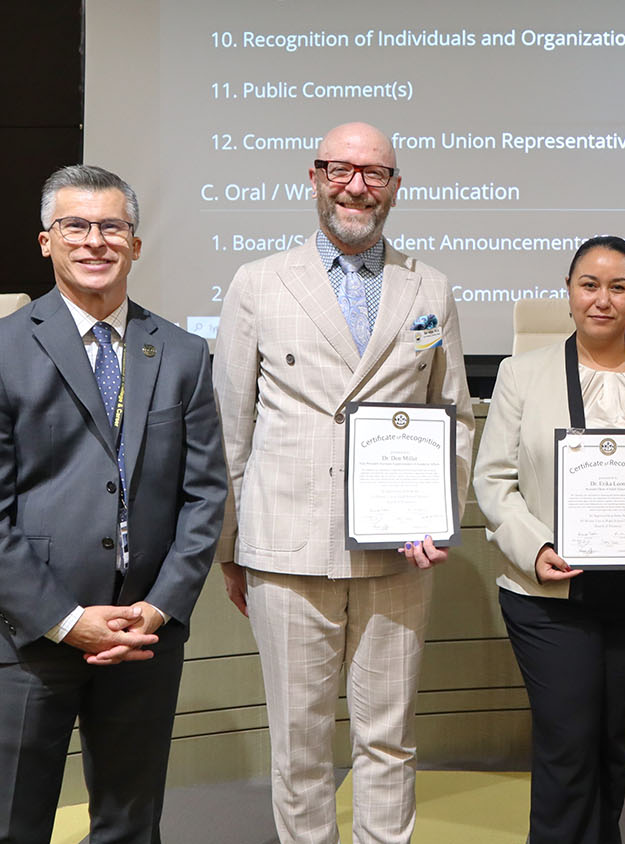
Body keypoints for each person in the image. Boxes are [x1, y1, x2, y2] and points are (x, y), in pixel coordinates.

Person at [0, 164, 228, 842]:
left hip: (141, 635)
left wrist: (155, 609)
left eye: (111, 227)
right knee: (11, 827)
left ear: (134, 243)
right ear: (47, 241)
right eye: (76, 225)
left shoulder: (183, 354)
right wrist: (67, 621)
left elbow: (204, 495)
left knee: (131, 827)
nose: (94, 241)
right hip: (26, 638)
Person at [212, 122, 474, 844]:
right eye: (341, 169)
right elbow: (231, 426)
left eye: (374, 173)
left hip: (398, 553)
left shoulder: (432, 288)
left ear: (395, 187)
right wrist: (231, 548)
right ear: (314, 175)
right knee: (299, 750)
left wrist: (438, 519)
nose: (356, 185)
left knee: (389, 742)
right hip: (288, 551)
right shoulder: (258, 283)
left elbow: (452, 419)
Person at [474, 236, 625, 843]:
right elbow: (493, 480)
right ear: (569, 292)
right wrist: (534, 548)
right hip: (547, 593)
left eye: (618, 287)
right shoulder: (520, 373)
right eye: (589, 285)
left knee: (610, 738)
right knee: (567, 741)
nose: (602, 299)